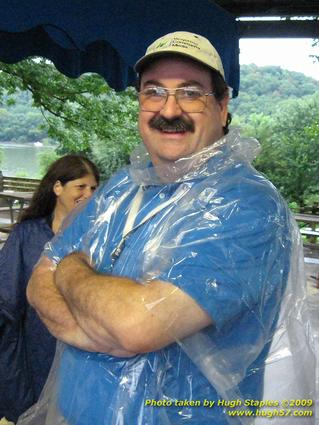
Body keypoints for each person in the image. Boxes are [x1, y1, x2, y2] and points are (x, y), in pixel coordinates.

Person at [24, 32, 315, 425]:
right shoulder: (123, 188)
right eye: (154, 92)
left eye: (191, 93)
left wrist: (72, 269)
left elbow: (135, 326)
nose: (170, 108)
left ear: (222, 106)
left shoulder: (243, 204)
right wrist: (98, 330)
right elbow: (39, 281)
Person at [0, 154, 99, 422]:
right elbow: (6, 296)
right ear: (58, 188)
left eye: (93, 188)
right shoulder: (27, 235)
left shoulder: (99, 237)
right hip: (34, 347)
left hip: (82, 347)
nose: (88, 194)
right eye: (80, 186)